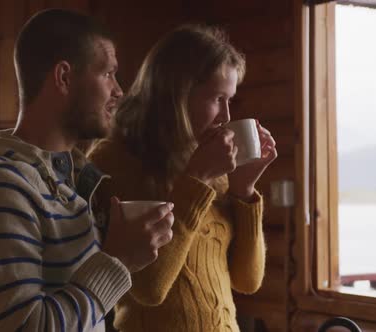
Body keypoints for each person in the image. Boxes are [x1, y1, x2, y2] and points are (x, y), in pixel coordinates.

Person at [0, 9, 174, 332]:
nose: (119, 91)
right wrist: (116, 261)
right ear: (64, 78)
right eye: (108, 73)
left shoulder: (71, 180)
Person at [88, 25, 278, 332]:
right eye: (218, 98)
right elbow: (150, 289)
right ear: (177, 93)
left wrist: (244, 189)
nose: (226, 117)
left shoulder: (210, 163)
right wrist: (197, 178)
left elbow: (248, 280)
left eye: (230, 100)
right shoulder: (112, 161)